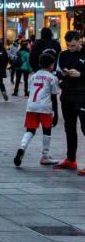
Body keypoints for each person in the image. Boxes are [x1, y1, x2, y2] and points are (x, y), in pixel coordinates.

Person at [15, 51, 60, 167]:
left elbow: (30, 91)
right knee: (47, 130)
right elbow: (54, 96)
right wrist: (56, 113)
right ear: (51, 64)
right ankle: (45, 156)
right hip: (45, 107)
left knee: (30, 130)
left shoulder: (33, 76)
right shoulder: (52, 78)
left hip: (31, 106)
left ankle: (21, 148)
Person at [52, 31, 85, 173]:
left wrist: (81, 74)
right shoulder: (63, 55)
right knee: (69, 127)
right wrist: (63, 75)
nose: (70, 48)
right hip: (67, 95)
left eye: (72, 45)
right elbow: (57, 71)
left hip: (83, 95)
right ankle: (70, 159)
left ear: (79, 41)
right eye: (68, 45)